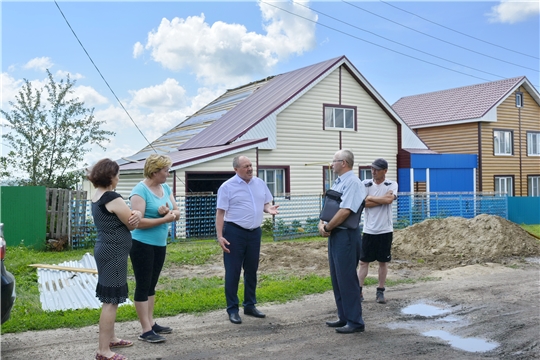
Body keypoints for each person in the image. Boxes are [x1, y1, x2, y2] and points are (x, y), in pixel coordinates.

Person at [88, 158, 142, 360]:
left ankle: (111, 339)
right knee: (111, 301)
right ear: (110, 176)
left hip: (105, 248)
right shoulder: (112, 196)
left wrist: (133, 213)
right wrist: (135, 212)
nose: (119, 178)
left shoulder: (98, 195)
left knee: (109, 296)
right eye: (118, 174)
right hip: (114, 252)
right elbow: (131, 224)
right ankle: (103, 351)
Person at [216, 155, 279, 324]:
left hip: (254, 233)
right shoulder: (227, 187)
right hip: (234, 233)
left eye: (251, 165)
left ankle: (250, 305)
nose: (250, 169)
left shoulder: (259, 183)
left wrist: (268, 208)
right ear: (236, 169)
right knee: (233, 271)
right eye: (245, 166)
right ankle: (232, 309)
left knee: (251, 270)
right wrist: (220, 236)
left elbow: (265, 203)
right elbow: (220, 213)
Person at [129, 154, 180, 343]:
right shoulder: (139, 191)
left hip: (160, 244)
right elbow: (137, 223)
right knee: (143, 285)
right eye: (166, 170)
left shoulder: (165, 188)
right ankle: (145, 330)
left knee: (152, 284)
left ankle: (151, 323)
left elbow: (177, 212)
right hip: (142, 244)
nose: (168, 173)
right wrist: (164, 219)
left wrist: (169, 212)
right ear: (155, 171)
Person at [319, 149, 366, 334]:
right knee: (337, 279)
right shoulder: (339, 182)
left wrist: (328, 227)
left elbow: (345, 210)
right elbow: (330, 207)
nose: (332, 164)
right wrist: (321, 223)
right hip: (336, 234)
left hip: (346, 235)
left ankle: (355, 321)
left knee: (347, 279)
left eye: (334, 161)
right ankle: (344, 317)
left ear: (344, 163)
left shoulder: (353, 183)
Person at [357, 158, 398, 304]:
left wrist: (371, 198)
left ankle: (380, 291)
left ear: (385, 171)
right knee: (363, 262)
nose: (373, 172)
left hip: (385, 229)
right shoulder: (365, 183)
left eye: (377, 169)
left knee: (383, 262)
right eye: (372, 169)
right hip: (369, 230)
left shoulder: (391, 184)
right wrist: (379, 199)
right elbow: (363, 203)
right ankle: (359, 291)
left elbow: (389, 200)